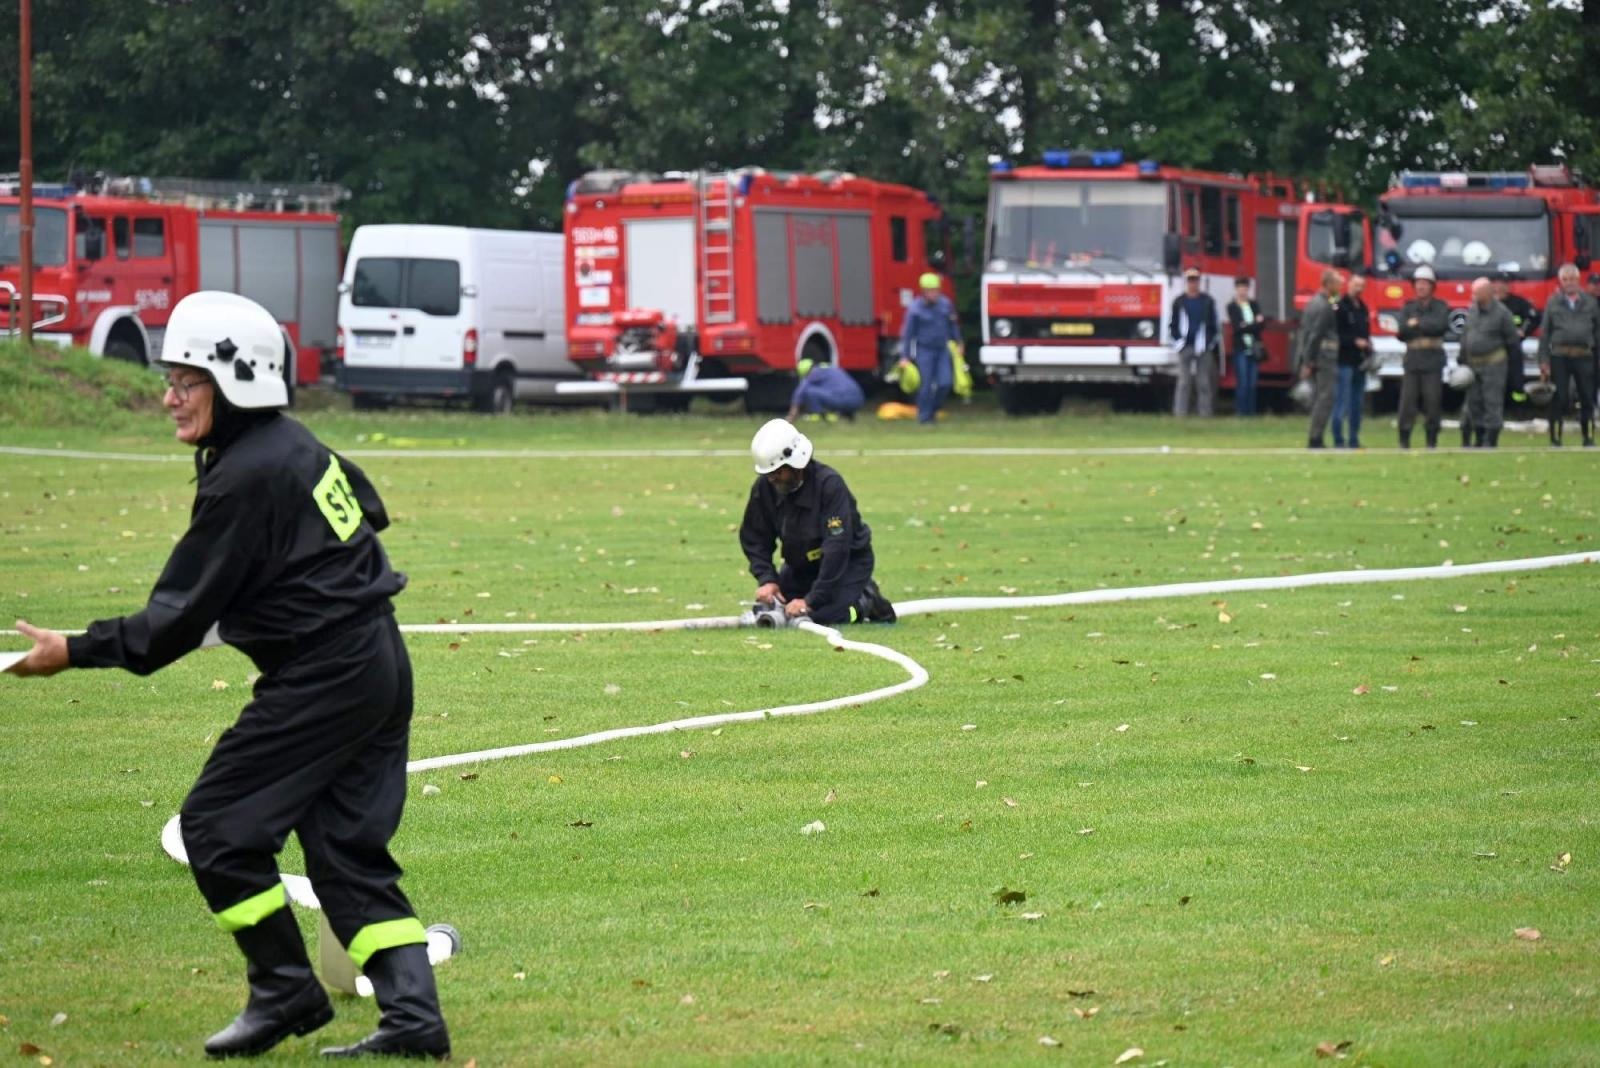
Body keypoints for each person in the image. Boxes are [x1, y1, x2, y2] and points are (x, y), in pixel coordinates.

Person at [8, 292, 450, 1060]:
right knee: (346, 848)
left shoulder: (247, 474)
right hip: (376, 660)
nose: (170, 397)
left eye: (188, 381)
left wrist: (72, 650)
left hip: (327, 676)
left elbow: (172, 620)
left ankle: (286, 990)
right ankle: (414, 1018)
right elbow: (364, 510)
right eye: (170, 379)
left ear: (239, 379)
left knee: (217, 829)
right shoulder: (293, 446)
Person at [739, 418, 895, 625]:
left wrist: (812, 601)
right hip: (801, 566)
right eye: (768, 473)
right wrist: (767, 580)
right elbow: (754, 536)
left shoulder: (829, 486)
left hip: (847, 564)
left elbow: (837, 548)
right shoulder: (765, 488)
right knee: (772, 611)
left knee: (826, 616)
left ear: (795, 463)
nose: (772, 479)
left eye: (777, 472)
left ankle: (866, 601)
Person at [1537, 263, 1600, 447]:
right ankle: (1555, 437)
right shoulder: (1553, 302)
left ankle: (1588, 437)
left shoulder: (1590, 302)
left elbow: (1598, 331)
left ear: (1578, 280)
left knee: (1587, 396)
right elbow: (1545, 333)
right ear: (1561, 281)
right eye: (1565, 279)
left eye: (1572, 279)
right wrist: (1543, 360)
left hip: (1584, 355)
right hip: (1560, 355)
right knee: (1559, 397)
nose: (1569, 283)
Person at [1458, 276, 1522, 448]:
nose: (1473, 296)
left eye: (1476, 293)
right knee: (1473, 401)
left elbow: (1512, 341)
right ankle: (1478, 437)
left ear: (1486, 293)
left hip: (1494, 364)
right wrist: (1462, 357)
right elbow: (1466, 335)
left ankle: (1491, 439)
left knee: (1492, 402)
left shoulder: (1502, 313)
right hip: (1473, 364)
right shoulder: (1471, 311)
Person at [1396, 265, 1450, 449]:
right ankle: (1404, 439)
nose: (1420, 287)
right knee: (1407, 403)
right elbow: (1401, 331)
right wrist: (1415, 326)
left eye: (1424, 284)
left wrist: (1417, 323)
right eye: (1418, 284)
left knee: (1433, 403)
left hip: (1433, 360)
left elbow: (1440, 326)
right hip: (1412, 360)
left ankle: (1431, 439)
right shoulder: (1408, 307)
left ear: (1432, 286)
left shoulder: (1440, 307)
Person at [898, 272, 961, 425]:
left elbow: (953, 324)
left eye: (937, 290)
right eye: (932, 291)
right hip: (924, 350)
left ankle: (933, 410)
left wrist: (959, 342)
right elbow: (907, 334)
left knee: (945, 383)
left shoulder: (946, 304)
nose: (935, 294)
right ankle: (924, 417)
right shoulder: (914, 309)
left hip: (942, 350)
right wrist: (904, 356)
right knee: (925, 385)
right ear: (924, 291)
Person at [1296, 268, 1342, 448]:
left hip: (1316, 356)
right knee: (1325, 397)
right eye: (1337, 282)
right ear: (1329, 284)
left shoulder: (1313, 303)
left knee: (1319, 397)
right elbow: (1316, 335)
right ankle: (1316, 438)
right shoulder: (1324, 306)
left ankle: (1316, 435)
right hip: (1324, 357)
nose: (1340, 286)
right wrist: (1309, 361)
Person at [1168, 266, 1220, 417]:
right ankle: (1180, 413)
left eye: (1195, 280)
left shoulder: (1208, 301)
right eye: (1190, 280)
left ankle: (1205, 413)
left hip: (1203, 347)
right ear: (1186, 282)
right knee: (1183, 382)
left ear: (1199, 282)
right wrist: (1177, 341)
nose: (1193, 283)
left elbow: (1213, 324)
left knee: (1203, 382)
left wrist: (1209, 342)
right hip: (1185, 346)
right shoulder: (1179, 301)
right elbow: (1173, 323)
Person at [1332, 273, 1371, 448]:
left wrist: (1368, 345)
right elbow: (1336, 335)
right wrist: (1354, 341)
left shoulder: (1363, 308)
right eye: (1356, 285)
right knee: (1342, 401)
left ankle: (1354, 438)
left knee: (1357, 403)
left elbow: (1366, 331)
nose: (1359, 289)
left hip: (1359, 361)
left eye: (1362, 286)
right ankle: (1338, 438)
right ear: (1348, 285)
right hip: (1344, 360)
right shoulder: (1340, 307)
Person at [1225, 276, 1265, 416]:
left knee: (1252, 382)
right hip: (1241, 348)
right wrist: (1254, 323)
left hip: (1254, 348)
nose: (1243, 291)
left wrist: (1247, 325)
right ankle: (1241, 411)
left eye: (1245, 288)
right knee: (1242, 382)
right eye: (1240, 288)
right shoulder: (1232, 306)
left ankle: (1251, 411)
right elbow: (1237, 328)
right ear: (1236, 289)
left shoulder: (1254, 304)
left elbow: (1261, 325)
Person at [787, 357, 865, 423]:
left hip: (842, 400)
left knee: (810, 391)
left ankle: (816, 415)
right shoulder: (829, 367)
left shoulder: (814, 372)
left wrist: (792, 415)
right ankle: (845, 414)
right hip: (859, 400)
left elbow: (800, 392)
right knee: (832, 391)